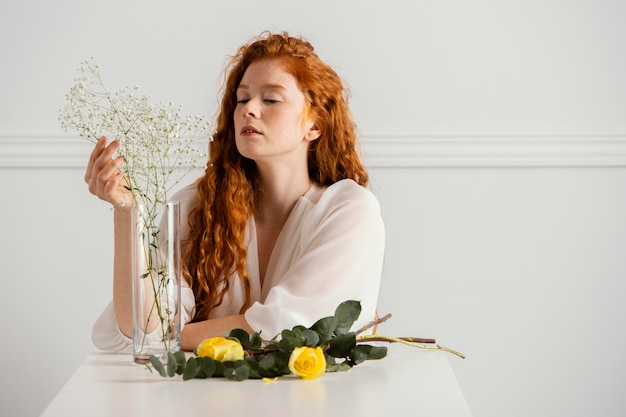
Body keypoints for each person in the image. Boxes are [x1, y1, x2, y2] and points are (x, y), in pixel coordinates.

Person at [85, 31, 385, 353]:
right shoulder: (196, 207)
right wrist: (127, 212)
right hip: (201, 400)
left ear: (314, 125)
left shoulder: (348, 210)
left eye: (270, 99)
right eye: (242, 99)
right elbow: (140, 328)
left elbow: (290, 327)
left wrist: (177, 338)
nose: (249, 109)